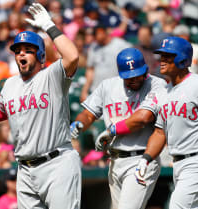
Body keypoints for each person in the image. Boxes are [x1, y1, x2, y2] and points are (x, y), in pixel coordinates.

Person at [0, 3, 81, 209]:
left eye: (28, 51)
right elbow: (1, 111)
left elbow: (72, 56)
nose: (21, 54)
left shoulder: (52, 76)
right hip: (25, 169)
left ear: (40, 56)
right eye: (18, 51)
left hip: (57, 163)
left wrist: (49, 26)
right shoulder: (11, 83)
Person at [134, 36, 198, 209]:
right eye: (161, 55)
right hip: (179, 164)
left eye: (168, 56)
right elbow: (159, 132)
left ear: (183, 59)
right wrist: (145, 158)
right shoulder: (164, 92)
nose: (162, 60)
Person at [70, 48, 167, 209]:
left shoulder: (157, 85)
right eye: (129, 77)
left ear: (145, 70)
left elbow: (144, 117)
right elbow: (87, 115)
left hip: (142, 158)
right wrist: (79, 124)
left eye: (138, 74)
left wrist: (112, 130)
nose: (134, 79)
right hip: (115, 161)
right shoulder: (108, 86)